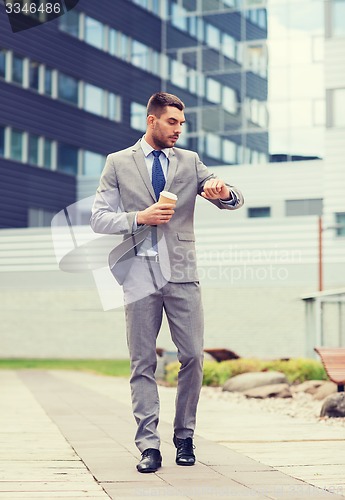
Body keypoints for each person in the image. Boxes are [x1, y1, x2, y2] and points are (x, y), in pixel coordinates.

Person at [90, 92, 244, 473]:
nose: (179, 129)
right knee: (142, 361)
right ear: (152, 120)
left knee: (192, 355)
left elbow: (230, 196)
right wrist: (139, 217)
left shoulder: (190, 161)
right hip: (138, 275)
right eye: (172, 122)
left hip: (182, 275)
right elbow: (98, 218)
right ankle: (148, 445)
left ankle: (184, 437)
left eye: (181, 123)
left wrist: (222, 192)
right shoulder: (117, 163)